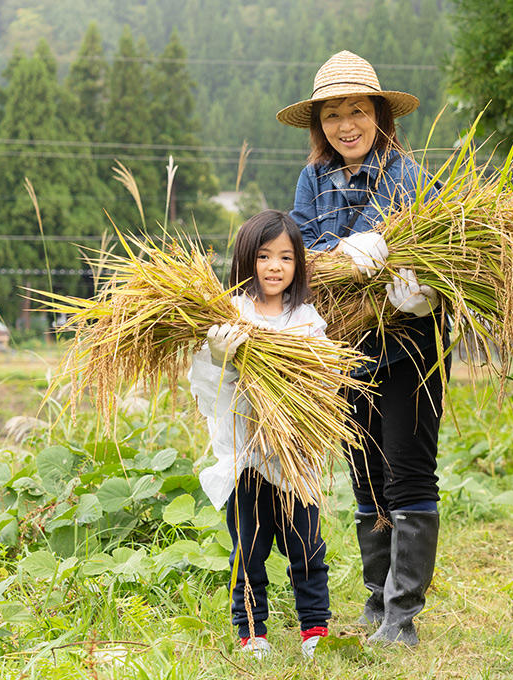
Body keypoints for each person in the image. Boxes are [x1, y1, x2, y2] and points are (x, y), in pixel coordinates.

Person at [278, 50, 449, 646]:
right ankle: (378, 603)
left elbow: (436, 254)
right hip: (348, 350)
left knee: (407, 474)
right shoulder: (312, 180)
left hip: (410, 345)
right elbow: (304, 249)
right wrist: (347, 253)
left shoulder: (408, 174)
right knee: (366, 477)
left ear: (380, 114)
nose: (345, 125)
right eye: (331, 115)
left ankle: (403, 618)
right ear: (317, 125)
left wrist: (423, 296)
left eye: (357, 111)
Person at [187, 209, 331, 660]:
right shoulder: (231, 315)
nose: (274, 266)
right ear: (246, 259)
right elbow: (205, 389)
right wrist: (218, 356)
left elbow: (324, 380)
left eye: (285, 257)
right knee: (248, 550)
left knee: (307, 546)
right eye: (264, 256)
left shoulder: (307, 319)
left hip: (294, 457)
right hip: (246, 456)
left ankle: (315, 629)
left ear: (298, 264)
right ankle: (252, 632)